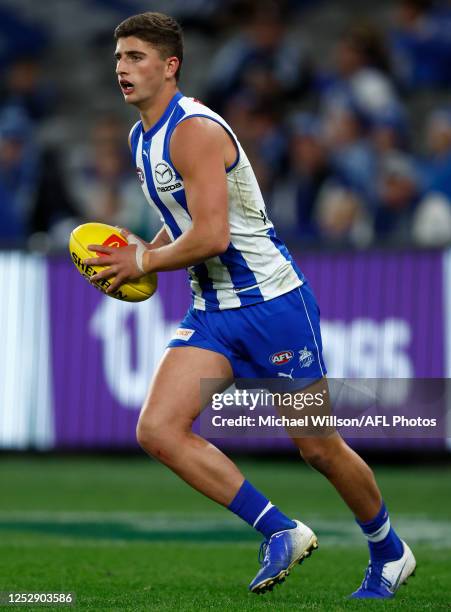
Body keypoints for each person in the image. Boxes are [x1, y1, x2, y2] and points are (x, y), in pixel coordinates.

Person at [84, 12, 416, 599]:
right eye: (117, 58)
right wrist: (143, 252)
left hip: (273, 305)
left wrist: (143, 264)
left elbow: (213, 237)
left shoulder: (195, 131)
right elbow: (183, 225)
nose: (122, 68)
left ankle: (390, 551)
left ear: (170, 66)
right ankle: (280, 531)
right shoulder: (142, 138)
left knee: (317, 446)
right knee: (158, 429)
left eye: (135, 57)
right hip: (212, 310)